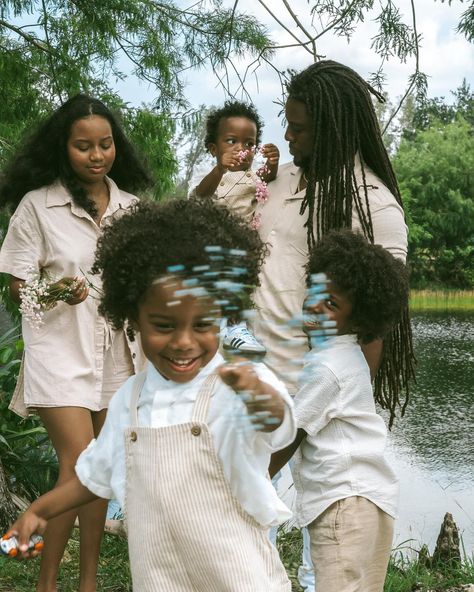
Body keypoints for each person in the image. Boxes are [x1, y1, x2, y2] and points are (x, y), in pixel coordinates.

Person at [6, 198, 295, 592]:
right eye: (163, 325)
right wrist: (40, 509)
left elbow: (279, 424)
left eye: (203, 324)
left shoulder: (240, 381)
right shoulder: (130, 398)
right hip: (160, 579)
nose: (183, 342)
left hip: (238, 577)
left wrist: (260, 399)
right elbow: (94, 475)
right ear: (132, 316)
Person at [251, 60, 416, 591]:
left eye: (299, 128)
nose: (288, 137)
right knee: (248, 529)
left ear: (333, 128)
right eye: (288, 123)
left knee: (324, 528)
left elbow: (374, 322)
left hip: (311, 395)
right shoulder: (280, 182)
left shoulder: (375, 206)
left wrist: (331, 396)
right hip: (254, 376)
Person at [0, 94, 152, 592]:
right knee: (80, 462)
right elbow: (17, 288)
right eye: (83, 146)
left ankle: (87, 583)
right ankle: (48, 584)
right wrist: (56, 290)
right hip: (59, 351)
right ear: (62, 148)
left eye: (105, 144)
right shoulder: (37, 205)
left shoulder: (131, 209)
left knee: (102, 467)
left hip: (118, 351)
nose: (96, 155)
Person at [270, 229, 410, 592]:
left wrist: (250, 480)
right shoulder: (348, 357)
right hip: (373, 500)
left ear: (360, 320)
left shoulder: (328, 367)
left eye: (331, 304)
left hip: (342, 505)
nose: (315, 305)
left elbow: (291, 434)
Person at [189, 100, 280, 355]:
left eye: (249, 144)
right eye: (232, 141)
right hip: (213, 239)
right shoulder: (210, 175)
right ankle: (225, 328)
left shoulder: (253, 177)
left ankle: (235, 328)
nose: (242, 149)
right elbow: (200, 196)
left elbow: (269, 179)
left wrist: (272, 163)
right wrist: (220, 168)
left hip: (244, 241)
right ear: (212, 148)